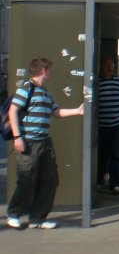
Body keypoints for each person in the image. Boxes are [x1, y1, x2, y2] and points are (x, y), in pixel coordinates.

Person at [6, 57, 84, 229]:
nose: (51, 73)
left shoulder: (45, 92)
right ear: (43, 70)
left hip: (45, 142)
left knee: (49, 179)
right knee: (26, 179)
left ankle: (38, 218)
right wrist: (18, 137)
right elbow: (13, 111)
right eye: (49, 70)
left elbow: (56, 112)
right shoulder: (26, 88)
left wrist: (78, 112)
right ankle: (14, 213)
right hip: (29, 142)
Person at [96, 57, 119, 195]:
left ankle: (115, 184)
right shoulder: (97, 83)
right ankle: (99, 180)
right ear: (102, 67)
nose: (109, 68)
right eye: (106, 65)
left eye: (111, 65)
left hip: (116, 124)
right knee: (102, 155)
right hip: (101, 125)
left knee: (116, 154)